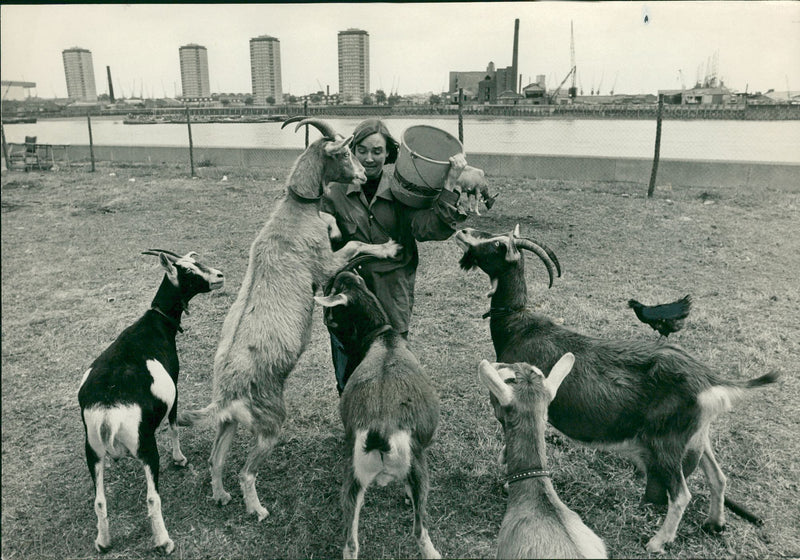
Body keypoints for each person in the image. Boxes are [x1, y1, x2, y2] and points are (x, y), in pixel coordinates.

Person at [321, 118, 468, 394]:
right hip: (349, 291)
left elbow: (428, 229)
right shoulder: (336, 189)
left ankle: (391, 426)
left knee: (392, 363)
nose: (368, 158)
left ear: (389, 153)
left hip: (392, 289)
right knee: (349, 366)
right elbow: (316, 228)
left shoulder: (404, 187)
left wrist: (448, 187)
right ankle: (355, 426)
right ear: (351, 150)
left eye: (377, 151)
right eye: (362, 150)